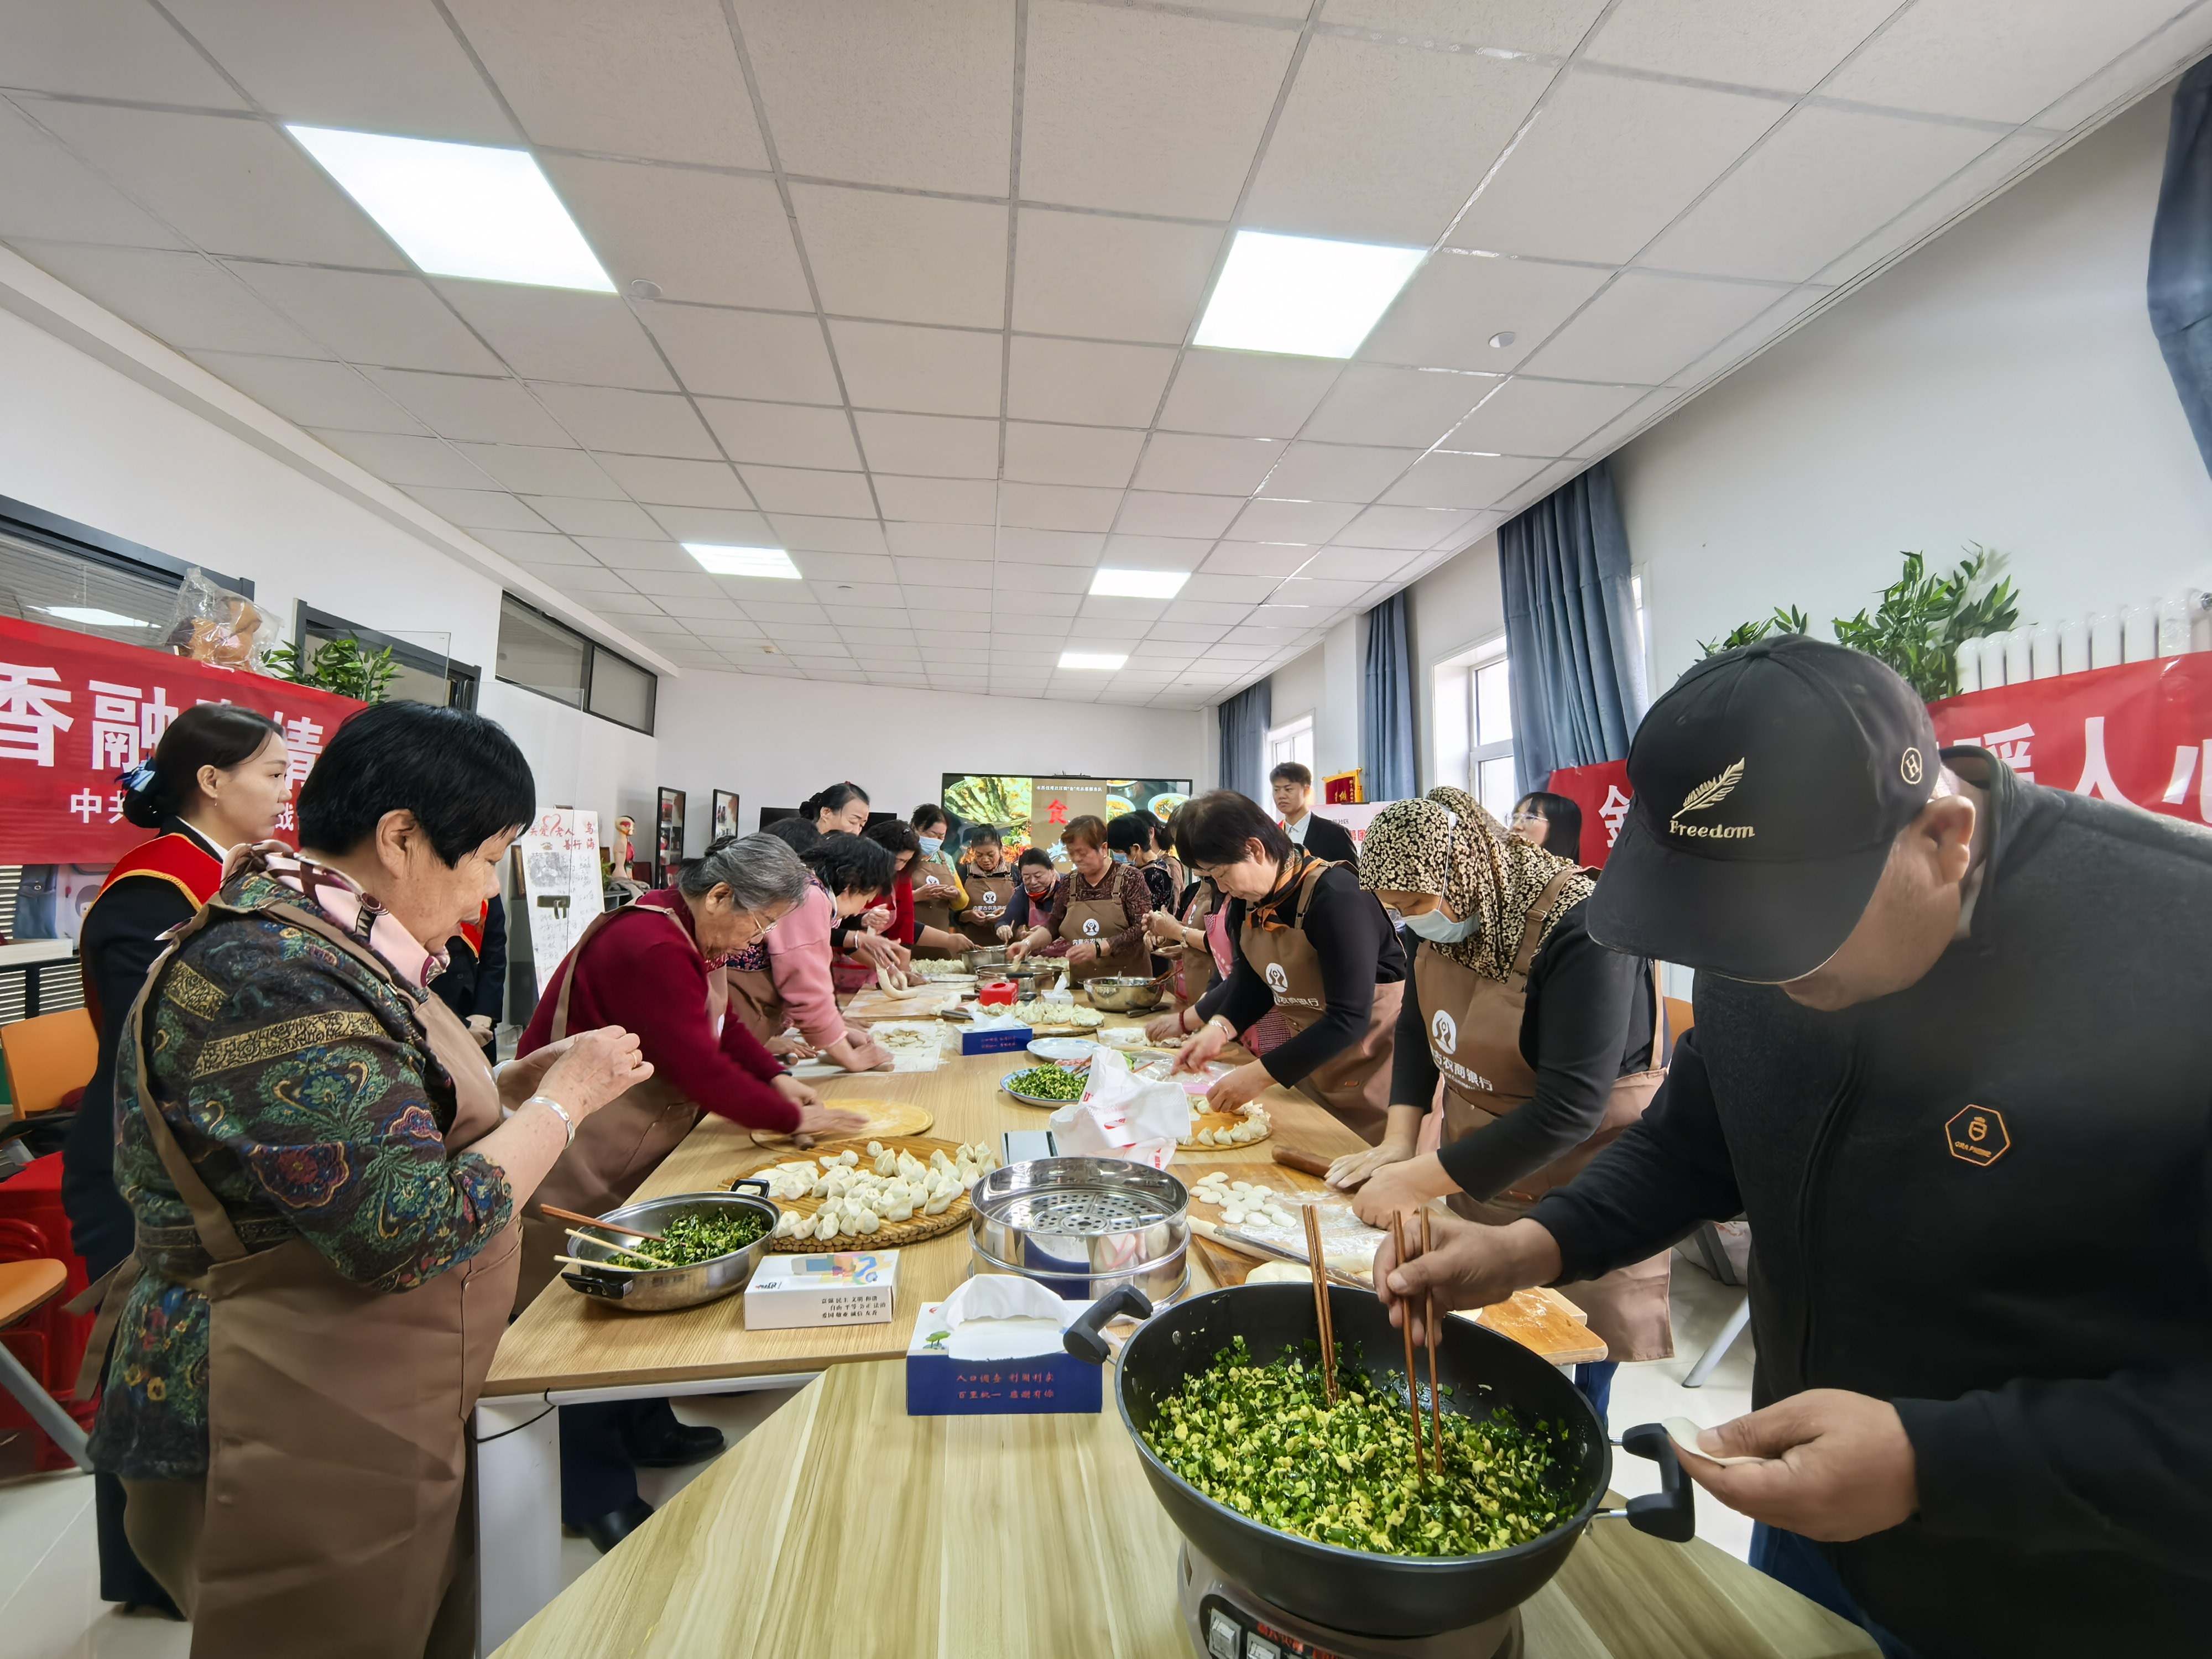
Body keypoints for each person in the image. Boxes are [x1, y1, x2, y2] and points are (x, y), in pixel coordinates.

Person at [1375, 636, 2212, 1659]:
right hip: (1814, 1508)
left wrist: (1932, 1462)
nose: (1757, 975)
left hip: (2071, 1587)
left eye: (1786, 940)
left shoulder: (2177, 955)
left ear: (1944, 838)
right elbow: (1696, 1143)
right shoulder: (1763, 934)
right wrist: (1536, 1245)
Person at [84, 701, 651, 1653]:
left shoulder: (334, 937)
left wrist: (521, 1082)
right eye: (484, 860)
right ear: (400, 838)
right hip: (284, 1404)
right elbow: (406, 1225)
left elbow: (384, 1115)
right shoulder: (273, 972)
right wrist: (566, 1105)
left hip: (368, 1384)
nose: (484, 893)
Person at [518, 832, 866, 1551]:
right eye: (758, 923)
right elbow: (695, 1066)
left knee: (644, 1299)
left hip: (630, 1139)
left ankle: (647, 1426)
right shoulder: (648, 943)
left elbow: (720, 1025)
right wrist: (794, 1118)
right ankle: (593, 1490)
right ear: (719, 896)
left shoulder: (683, 932)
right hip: (579, 1147)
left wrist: (775, 1078)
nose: (758, 941)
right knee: (590, 1317)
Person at [1333, 785, 1670, 1412]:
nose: (1411, 920)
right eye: (1395, 909)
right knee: (1483, 1342)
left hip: (1584, 1173)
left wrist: (1418, 1180)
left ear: (1466, 867)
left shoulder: (1585, 927)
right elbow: (1419, 1026)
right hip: (1484, 1162)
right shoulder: (1451, 908)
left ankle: (1586, 1420)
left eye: (1415, 904)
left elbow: (1570, 1109)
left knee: (1567, 1351)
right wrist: (1400, 1141)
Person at [64, 703, 289, 1620]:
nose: (283, 793)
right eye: (272, 774)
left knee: (198, 1368)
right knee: (144, 1362)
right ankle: (145, 1579)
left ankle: (199, 1559)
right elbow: (154, 1043)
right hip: (136, 1160)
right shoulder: (151, 892)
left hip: (198, 1149)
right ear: (212, 780)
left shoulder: (235, 874)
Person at [1148, 791, 1404, 1141]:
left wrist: (1259, 1074)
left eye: (1221, 873)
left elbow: (1349, 1018)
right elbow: (1253, 980)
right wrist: (1217, 1030)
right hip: (1313, 1068)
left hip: (1376, 1078)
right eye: (1209, 877)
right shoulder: (1249, 901)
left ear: (1255, 849)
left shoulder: (1339, 897)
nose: (1222, 888)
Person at [726, 832, 896, 1071]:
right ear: (851, 884)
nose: (863, 908)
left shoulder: (806, 885)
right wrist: (850, 1058)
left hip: (740, 1020)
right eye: (868, 898)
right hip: (734, 1015)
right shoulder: (811, 896)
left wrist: (836, 1030)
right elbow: (805, 984)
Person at [1007, 814, 1151, 982]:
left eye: (1082, 853)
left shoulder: (1131, 878)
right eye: (1071, 853)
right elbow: (1053, 926)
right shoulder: (1070, 882)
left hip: (1128, 983)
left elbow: (1142, 927)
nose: (1076, 859)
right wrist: (1028, 944)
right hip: (1083, 983)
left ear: (1103, 849)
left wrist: (1100, 948)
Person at [863, 817, 969, 958]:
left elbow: (904, 922)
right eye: (898, 860)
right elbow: (845, 931)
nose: (899, 867)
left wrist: (949, 939)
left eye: (906, 862)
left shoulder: (903, 874)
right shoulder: (859, 877)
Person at [430, 891, 506, 1063]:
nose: (494, 885)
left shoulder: (487, 887)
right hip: (431, 1013)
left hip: (475, 1010)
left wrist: (484, 1012)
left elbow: (495, 951)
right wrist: (459, 1027)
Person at [905, 804, 967, 954]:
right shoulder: (902, 856)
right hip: (906, 940)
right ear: (915, 827)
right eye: (932, 835)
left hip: (941, 943)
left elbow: (962, 903)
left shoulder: (945, 859)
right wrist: (916, 896)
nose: (936, 841)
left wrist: (956, 895)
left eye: (941, 837)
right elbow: (886, 901)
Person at [1271, 761, 1359, 865]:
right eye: (1276, 790)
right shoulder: (1272, 836)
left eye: (1288, 789)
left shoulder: (1335, 833)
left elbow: (1351, 873)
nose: (1281, 796)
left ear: (1306, 790)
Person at [952, 825, 1016, 946]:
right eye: (979, 855)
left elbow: (1026, 909)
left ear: (1000, 850)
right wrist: (967, 916)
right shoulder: (963, 873)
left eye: (991, 854)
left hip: (1010, 946)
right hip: (972, 946)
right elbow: (951, 913)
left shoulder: (1015, 873)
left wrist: (1008, 914)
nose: (985, 860)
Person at [1108, 810, 1177, 912]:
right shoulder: (1158, 865)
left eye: (1118, 851)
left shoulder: (1152, 876)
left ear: (1136, 848)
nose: (1116, 856)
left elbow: (1143, 915)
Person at [997, 847, 1061, 943]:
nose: (1033, 882)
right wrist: (1003, 927)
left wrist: (1045, 933)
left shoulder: (1067, 886)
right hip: (1035, 949)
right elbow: (1007, 919)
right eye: (1027, 878)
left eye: (1038, 876)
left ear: (1052, 870)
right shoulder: (1023, 892)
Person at [1510, 790, 1584, 864]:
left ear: (1559, 830)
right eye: (1515, 818)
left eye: (1530, 818)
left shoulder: (1569, 872)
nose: (1515, 826)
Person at [801, 781, 872, 838]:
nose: (856, 832)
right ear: (826, 812)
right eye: (853, 822)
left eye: (861, 825)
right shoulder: (798, 843)